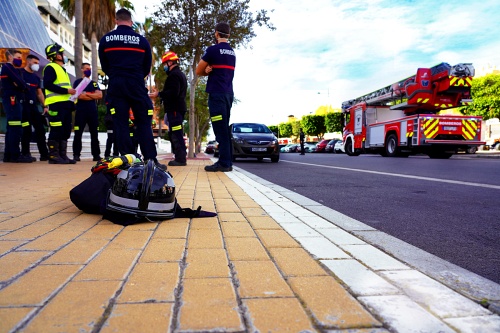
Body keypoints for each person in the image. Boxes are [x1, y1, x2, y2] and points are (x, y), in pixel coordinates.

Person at [98, 8, 165, 169]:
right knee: (143, 122)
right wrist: (136, 77)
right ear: (131, 21)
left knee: (120, 123)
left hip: (116, 84)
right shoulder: (141, 41)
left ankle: (127, 161)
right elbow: (146, 66)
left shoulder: (106, 40)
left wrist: (115, 75)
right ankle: (151, 160)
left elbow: (105, 65)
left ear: (116, 20)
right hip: (136, 83)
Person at [196, 22, 236, 172]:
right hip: (228, 94)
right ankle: (226, 161)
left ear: (216, 34)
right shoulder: (232, 52)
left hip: (217, 95)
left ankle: (225, 163)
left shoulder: (213, 50)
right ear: (229, 35)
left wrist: (207, 71)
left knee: (220, 129)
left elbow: (199, 70)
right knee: (224, 128)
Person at [151, 51, 187, 166]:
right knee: (176, 133)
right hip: (177, 109)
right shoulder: (179, 74)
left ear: (170, 62)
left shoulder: (174, 75)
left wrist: (159, 95)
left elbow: (173, 93)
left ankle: (180, 159)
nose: (164, 67)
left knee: (176, 134)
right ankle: (180, 157)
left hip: (175, 109)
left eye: (165, 64)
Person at [43, 43, 77, 164]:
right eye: (61, 53)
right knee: (56, 129)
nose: (63, 55)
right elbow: (47, 85)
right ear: (55, 55)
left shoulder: (62, 69)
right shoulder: (50, 67)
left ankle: (63, 155)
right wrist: (66, 91)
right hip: (56, 104)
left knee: (66, 130)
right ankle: (53, 156)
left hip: (65, 104)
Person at [1, 49, 31, 163]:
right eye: (18, 57)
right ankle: (15, 155)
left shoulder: (14, 70)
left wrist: (20, 85)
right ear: (10, 57)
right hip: (12, 99)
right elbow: (21, 82)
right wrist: (22, 85)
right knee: (15, 127)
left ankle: (8, 155)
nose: (20, 59)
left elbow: (19, 82)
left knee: (11, 128)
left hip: (15, 99)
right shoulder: (8, 68)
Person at [21, 54, 49, 161]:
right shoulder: (21, 74)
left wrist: (45, 106)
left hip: (34, 107)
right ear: (28, 62)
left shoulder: (36, 78)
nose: (37, 65)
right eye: (35, 63)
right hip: (24, 106)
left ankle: (44, 154)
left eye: (38, 63)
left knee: (40, 130)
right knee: (26, 130)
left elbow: (39, 93)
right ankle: (25, 153)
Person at [72, 63, 102, 161]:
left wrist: (86, 93)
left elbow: (99, 95)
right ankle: (76, 155)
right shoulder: (78, 82)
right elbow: (78, 96)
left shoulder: (94, 83)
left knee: (94, 134)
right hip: (81, 111)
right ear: (82, 70)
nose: (88, 70)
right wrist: (92, 94)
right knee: (78, 134)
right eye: (86, 68)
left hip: (92, 112)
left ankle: (96, 155)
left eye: (89, 68)